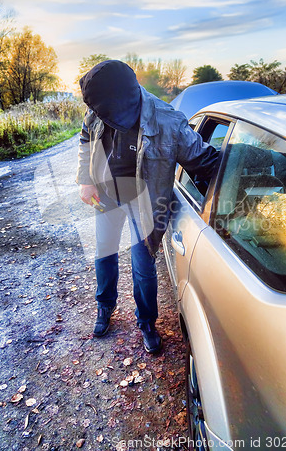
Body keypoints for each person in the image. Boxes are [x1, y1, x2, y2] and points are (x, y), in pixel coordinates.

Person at [76, 60, 218, 354]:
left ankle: (147, 322)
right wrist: (85, 179)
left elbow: (204, 161)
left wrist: (258, 164)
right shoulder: (98, 105)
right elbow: (85, 137)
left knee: (143, 267)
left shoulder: (168, 121)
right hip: (106, 195)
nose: (97, 114)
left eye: (104, 111)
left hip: (144, 204)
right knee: (104, 253)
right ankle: (105, 306)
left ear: (123, 100)